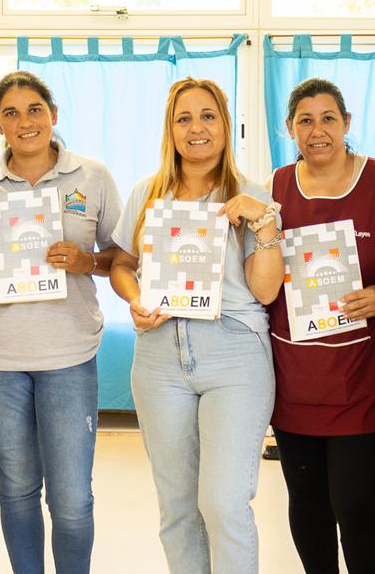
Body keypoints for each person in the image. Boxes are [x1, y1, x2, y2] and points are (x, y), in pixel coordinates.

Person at [109, 77, 283, 573]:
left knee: (224, 503)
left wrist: (264, 223)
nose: (196, 128)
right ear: (170, 130)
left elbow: (266, 291)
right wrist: (135, 299)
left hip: (234, 353)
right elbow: (122, 265)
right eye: (183, 119)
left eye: (208, 116)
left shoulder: (252, 196)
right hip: (159, 355)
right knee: (179, 509)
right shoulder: (147, 194)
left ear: (225, 125)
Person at [0, 71, 122, 574]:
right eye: (11, 113)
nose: (25, 121)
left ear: (53, 115)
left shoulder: (92, 176)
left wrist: (86, 261)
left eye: (34, 109)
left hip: (68, 356)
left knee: (71, 500)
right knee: (17, 490)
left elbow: (122, 258)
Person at [265, 78, 375, 573]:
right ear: (289, 128)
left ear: (346, 123)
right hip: (295, 374)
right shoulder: (274, 188)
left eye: (328, 118)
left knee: (357, 502)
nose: (317, 130)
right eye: (305, 120)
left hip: (363, 378)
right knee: (307, 502)